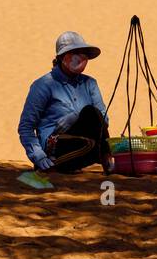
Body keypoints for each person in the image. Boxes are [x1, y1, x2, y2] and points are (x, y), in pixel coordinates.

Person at [17, 31, 110, 175]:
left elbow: (103, 120)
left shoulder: (90, 83)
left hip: (87, 144)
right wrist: (38, 156)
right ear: (63, 57)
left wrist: (77, 117)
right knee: (89, 119)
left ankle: (105, 161)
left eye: (84, 53)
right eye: (75, 53)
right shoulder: (43, 85)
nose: (81, 57)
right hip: (55, 145)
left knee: (91, 113)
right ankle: (54, 164)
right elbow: (26, 127)